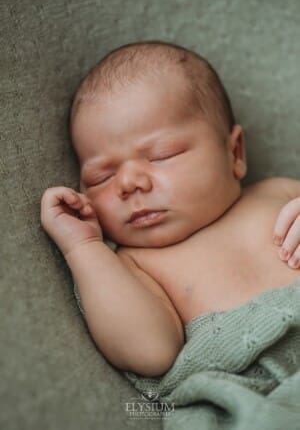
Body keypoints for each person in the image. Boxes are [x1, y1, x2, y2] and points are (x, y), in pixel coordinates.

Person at [40, 40, 300, 377]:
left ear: (234, 153)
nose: (129, 183)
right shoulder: (134, 264)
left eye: (163, 155)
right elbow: (151, 354)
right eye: (101, 176)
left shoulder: (279, 191)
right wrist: (83, 248)